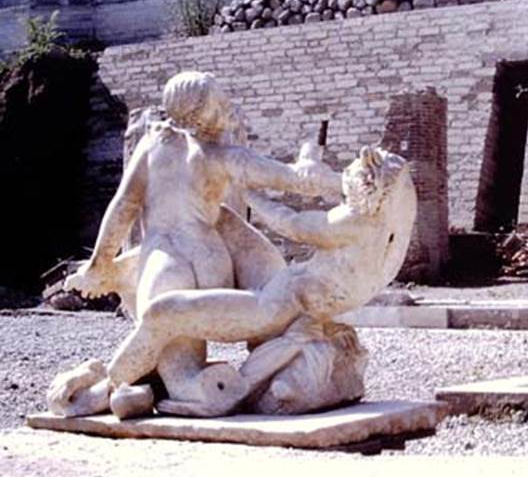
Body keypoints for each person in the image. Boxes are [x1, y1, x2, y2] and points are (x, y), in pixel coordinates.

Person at [52, 71, 339, 416]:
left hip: (166, 261)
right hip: (213, 261)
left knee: (172, 347)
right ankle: (168, 384)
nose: (228, 108)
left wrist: (98, 265)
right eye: (221, 102)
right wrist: (313, 172)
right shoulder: (222, 156)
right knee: (177, 342)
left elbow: (123, 206)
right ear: (205, 111)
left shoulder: (152, 145)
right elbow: (292, 179)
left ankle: (119, 389)